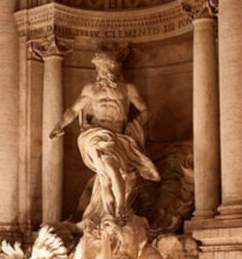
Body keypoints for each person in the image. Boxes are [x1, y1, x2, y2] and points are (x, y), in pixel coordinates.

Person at [49, 50, 159, 220]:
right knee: (109, 165)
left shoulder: (128, 89)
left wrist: (135, 125)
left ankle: (112, 210)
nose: (103, 71)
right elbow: (73, 110)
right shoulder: (90, 89)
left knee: (106, 177)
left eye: (106, 67)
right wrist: (59, 126)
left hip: (118, 136)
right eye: (100, 68)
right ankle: (120, 208)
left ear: (114, 68)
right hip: (95, 134)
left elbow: (145, 111)